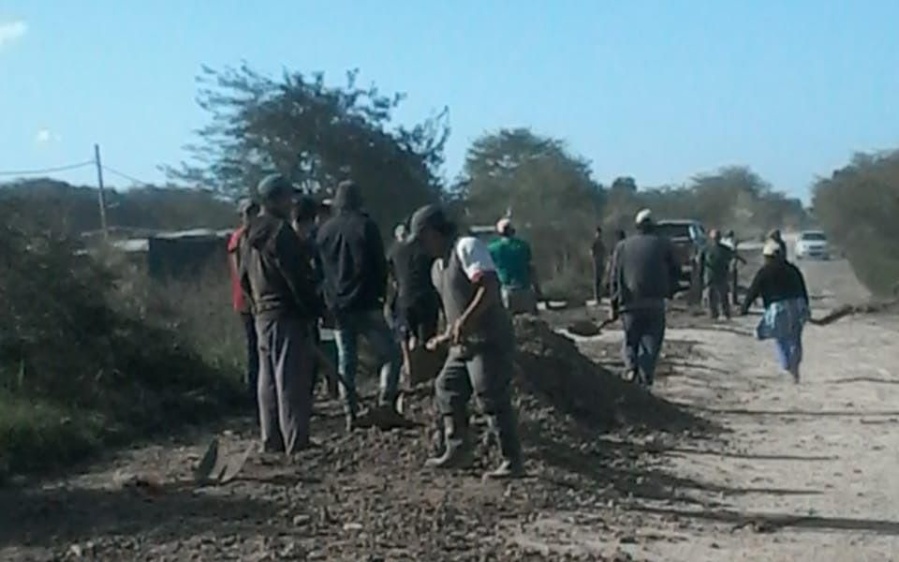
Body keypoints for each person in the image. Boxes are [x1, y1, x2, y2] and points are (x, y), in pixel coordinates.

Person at [409, 204, 524, 478]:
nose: (423, 247)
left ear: (435, 232)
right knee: (447, 387)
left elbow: (490, 287)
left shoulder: (467, 247)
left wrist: (467, 321)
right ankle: (458, 448)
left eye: (424, 239)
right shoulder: (438, 268)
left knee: (489, 394)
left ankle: (512, 460)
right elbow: (454, 310)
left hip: (488, 338)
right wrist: (446, 335)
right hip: (464, 345)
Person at [239, 174, 323, 455]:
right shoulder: (281, 232)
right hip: (286, 313)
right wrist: (312, 310)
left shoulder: (247, 234)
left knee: (268, 379)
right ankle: (296, 441)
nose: (292, 202)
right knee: (291, 379)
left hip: (261, 314)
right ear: (275, 199)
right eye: (288, 197)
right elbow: (296, 277)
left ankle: (270, 438)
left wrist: (255, 305)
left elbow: (242, 279)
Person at [316, 180, 402, 429]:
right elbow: (379, 266)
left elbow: (321, 272)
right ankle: (386, 402)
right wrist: (381, 296)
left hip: (338, 306)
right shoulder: (367, 226)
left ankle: (349, 411)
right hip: (366, 303)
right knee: (391, 355)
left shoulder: (325, 231)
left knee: (347, 360)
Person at [608, 209, 679, 388]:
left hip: (629, 304)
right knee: (651, 343)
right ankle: (645, 377)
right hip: (654, 303)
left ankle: (631, 368)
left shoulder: (622, 247)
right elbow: (675, 271)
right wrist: (671, 290)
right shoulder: (663, 245)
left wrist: (614, 304)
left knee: (630, 340)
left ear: (636, 227)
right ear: (653, 226)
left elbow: (614, 277)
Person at [740, 240, 810, 383]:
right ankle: (795, 364)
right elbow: (803, 289)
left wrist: (744, 308)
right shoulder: (792, 269)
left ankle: (788, 366)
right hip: (797, 305)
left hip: (777, 309)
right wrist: (806, 307)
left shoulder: (764, 272)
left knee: (781, 338)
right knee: (795, 338)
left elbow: (753, 290)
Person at [387, 222, 440, 387]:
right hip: (425, 299)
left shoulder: (394, 251)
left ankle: (410, 370)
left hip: (403, 299)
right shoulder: (427, 249)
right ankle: (426, 375)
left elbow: (389, 274)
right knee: (426, 340)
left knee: (405, 337)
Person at [227, 198, 260, 414]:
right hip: (248, 303)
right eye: (248, 213)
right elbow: (241, 272)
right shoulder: (239, 238)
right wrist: (253, 299)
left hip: (254, 301)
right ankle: (253, 398)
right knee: (255, 351)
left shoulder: (255, 235)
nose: (251, 217)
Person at [487, 218, 542, 315]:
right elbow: (531, 268)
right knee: (531, 323)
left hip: (506, 290)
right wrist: (537, 289)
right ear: (513, 231)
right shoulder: (523, 246)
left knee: (509, 323)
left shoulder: (492, 249)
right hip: (525, 289)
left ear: (498, 232)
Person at [698, 229, 737, 320]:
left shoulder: (725, 249)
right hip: (710, 275)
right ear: (711, 238)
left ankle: (726, 312)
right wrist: (701, 274)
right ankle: (713, 313)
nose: (715, 240)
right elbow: (701, 262)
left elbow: (732, 258)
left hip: (721, 275)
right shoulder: (706, 249)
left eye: (717, 237)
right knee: (711, 295)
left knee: (723, 295)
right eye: (714, 237)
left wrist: (730, 270)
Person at [590, 226, 606, 304]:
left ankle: (599, 297)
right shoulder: (595, 242)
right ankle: (596, 297)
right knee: (596, 280)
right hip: (596, 263)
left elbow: (604, 252)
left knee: (600, 280)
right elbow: (591, 251)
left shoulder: (601, 242)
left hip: (601, 263)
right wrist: (595, 259)